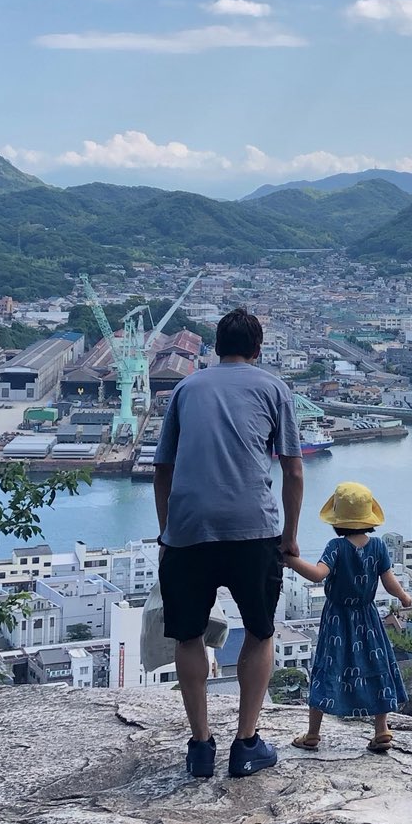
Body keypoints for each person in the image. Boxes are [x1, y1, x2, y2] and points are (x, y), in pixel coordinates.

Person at [153, 305, 303, 781]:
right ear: (258, 349)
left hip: (189, 531)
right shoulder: (273, 388)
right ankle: (246, 743)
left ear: (216, 347)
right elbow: (293, 469)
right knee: (259, 632)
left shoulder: (185, 388)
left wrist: (167, 532)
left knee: (189, 635)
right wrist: (290, 539)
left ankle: (200, 747)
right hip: (252, 529)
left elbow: (162, 468)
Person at [287, 481, 411, 755]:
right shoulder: (378, 546)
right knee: (376, 665)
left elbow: (319, 575)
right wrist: (404, 597)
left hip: (337, 620)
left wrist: (290, 561)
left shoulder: (336, 547)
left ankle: (313, 734)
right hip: (369, 619)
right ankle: (381, 730)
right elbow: (389, 582)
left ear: (338, 520)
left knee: (326, 669)